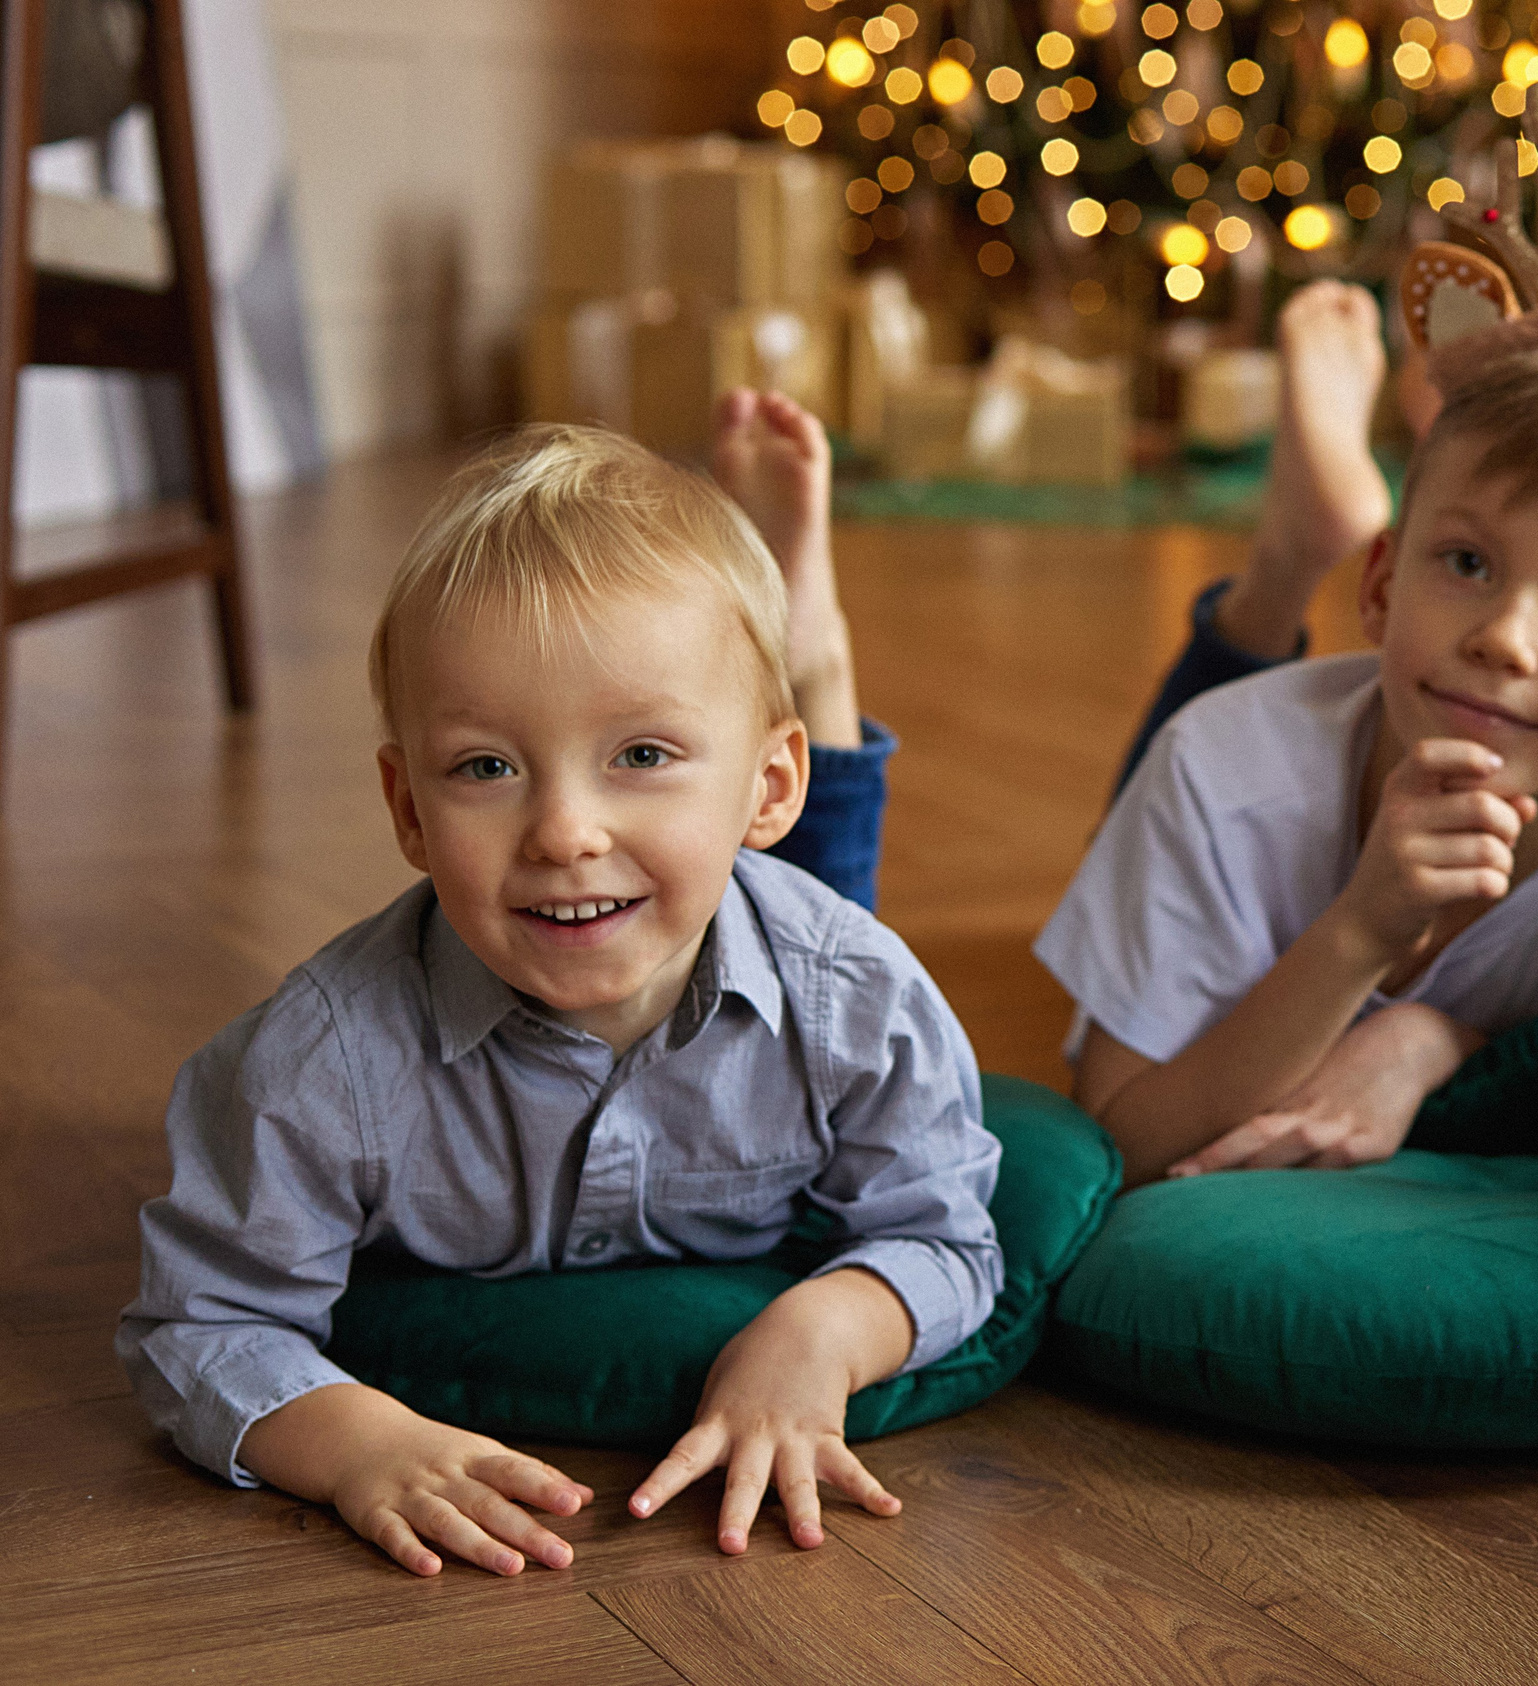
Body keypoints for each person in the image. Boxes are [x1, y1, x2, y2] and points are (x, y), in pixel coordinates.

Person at [116, 411, 1001, 1580]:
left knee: (824, 902)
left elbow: (943, 1235)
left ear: (765, 783)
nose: (564, 832)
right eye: (486, 767)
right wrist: (353, 1443)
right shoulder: (322, 1061)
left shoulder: (856, 998)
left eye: (641, 754)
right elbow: (201, 1322)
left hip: (780, 922)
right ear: (408, 810)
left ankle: (811, 643)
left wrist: (823, 1332)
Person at [1036, 287, 1538, 1187]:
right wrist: (1361, 932)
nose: (1504, 638)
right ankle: (1286, 560)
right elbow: (1120, 1148)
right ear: (1382, 586)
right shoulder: (1220, 769)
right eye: (1467, 563)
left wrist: (1438, 1042)